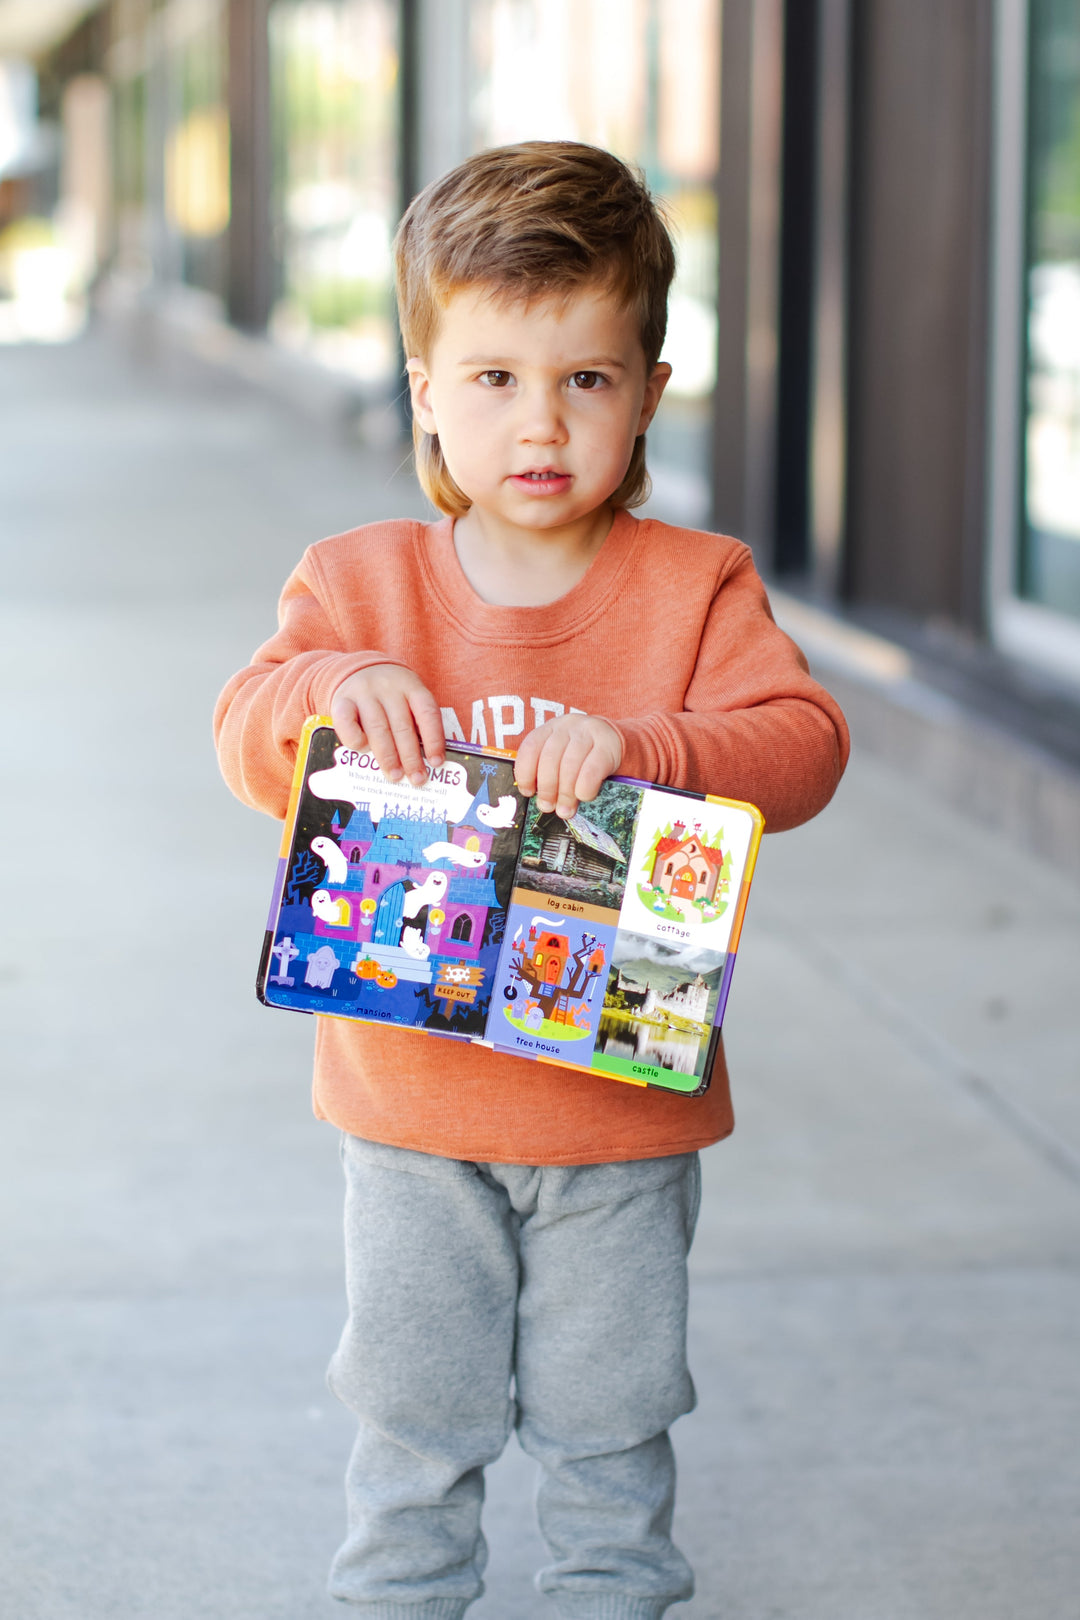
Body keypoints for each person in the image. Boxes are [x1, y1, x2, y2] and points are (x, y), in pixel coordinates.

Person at [214, 141, 848, 1620]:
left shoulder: (699, 590)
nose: (542, 422)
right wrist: (333, 691)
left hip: (617, 1114)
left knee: (610, 1434)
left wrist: (650, 744)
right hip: (409, 1110)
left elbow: (805, 749)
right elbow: (247, 740)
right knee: (412, 1433)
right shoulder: (358, 583)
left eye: (587, 378)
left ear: (649, 391)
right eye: (494, 377)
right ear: (426, 390)